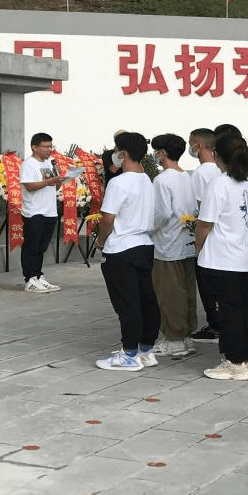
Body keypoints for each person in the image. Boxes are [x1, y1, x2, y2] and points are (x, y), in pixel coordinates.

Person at [196, 140, 248, 382]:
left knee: (229, 312)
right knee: (243, 310)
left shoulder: (219, 183)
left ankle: (235, 362)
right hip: (245, 256)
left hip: (223, 258)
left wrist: (198, 247)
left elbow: (205, 223)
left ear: (216, 155)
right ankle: (245, 360)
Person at [94, 132, 160, 371]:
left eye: (116, 149)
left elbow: (107, 218)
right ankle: (146, 349)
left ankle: (129, 354)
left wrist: (101, 241)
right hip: (143, 244)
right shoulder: (146, 179)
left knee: (127, 303)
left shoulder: (119, 182)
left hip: (121, 247)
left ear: (123, 153)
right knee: (146, 300)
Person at [149, 133, 198, 359]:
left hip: (167, 243)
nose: (155, 155)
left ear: (162, 153)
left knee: (169, 293)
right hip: (187, 242)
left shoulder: (162, 180)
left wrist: (146, 229)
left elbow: (161, 213)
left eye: (156, 151)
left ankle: (174, 338)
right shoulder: (186, 176)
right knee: (186, 290)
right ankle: (186, 335)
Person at [19, 132, 66, 294]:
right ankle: (30, 279)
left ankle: (38, 276)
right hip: (34, 211)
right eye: (46, 147)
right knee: (32, 246)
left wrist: (58, 180)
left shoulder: (50, 164)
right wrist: (49, 181)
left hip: (50, 210)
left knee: (42, 246)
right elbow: (29, 186)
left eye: (50, 146)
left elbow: (55, 188)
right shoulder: (28, 164)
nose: (49, 150)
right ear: (34, 147)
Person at [187, 127, 222, 339]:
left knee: (208, 287)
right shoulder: (220, 169)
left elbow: (201, 208)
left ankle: (215, 325)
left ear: (198, 146)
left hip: (207, 235)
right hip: (222, 236)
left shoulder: (201, 173)